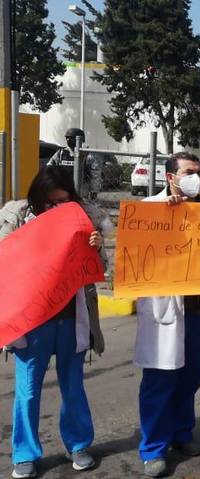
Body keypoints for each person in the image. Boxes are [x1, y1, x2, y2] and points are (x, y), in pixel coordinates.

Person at [0, 166, 105, 479]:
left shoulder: (82, 220)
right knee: (28, 389)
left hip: (72, 317)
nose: (56, 208)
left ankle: (78, 444)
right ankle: (25, 453)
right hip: (34, 322)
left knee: (73, 386)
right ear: (37, 199)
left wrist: (96, 250)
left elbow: (98, 270)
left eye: (63, 201)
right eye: (50, 202)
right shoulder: (17, 219)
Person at [133, 152, 200, 477]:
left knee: (193, 372)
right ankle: (153, 448)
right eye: (188, 172)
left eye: (198, 172)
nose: (195, 177)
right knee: (161, 376)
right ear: (171, 176)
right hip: (166, 308)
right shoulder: (150, 211)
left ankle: (182, 433)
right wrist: (164, 219)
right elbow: (135, 257)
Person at [47, 128, 101, 200]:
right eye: (67, 138)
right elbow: (49, 168)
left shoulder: (88, 154)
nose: (68, 140)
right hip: (63, 190)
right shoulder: (61, 153)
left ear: (80, 140)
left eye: (71, 138)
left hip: (82, 191)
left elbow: (95, 174)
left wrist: (94, 191)